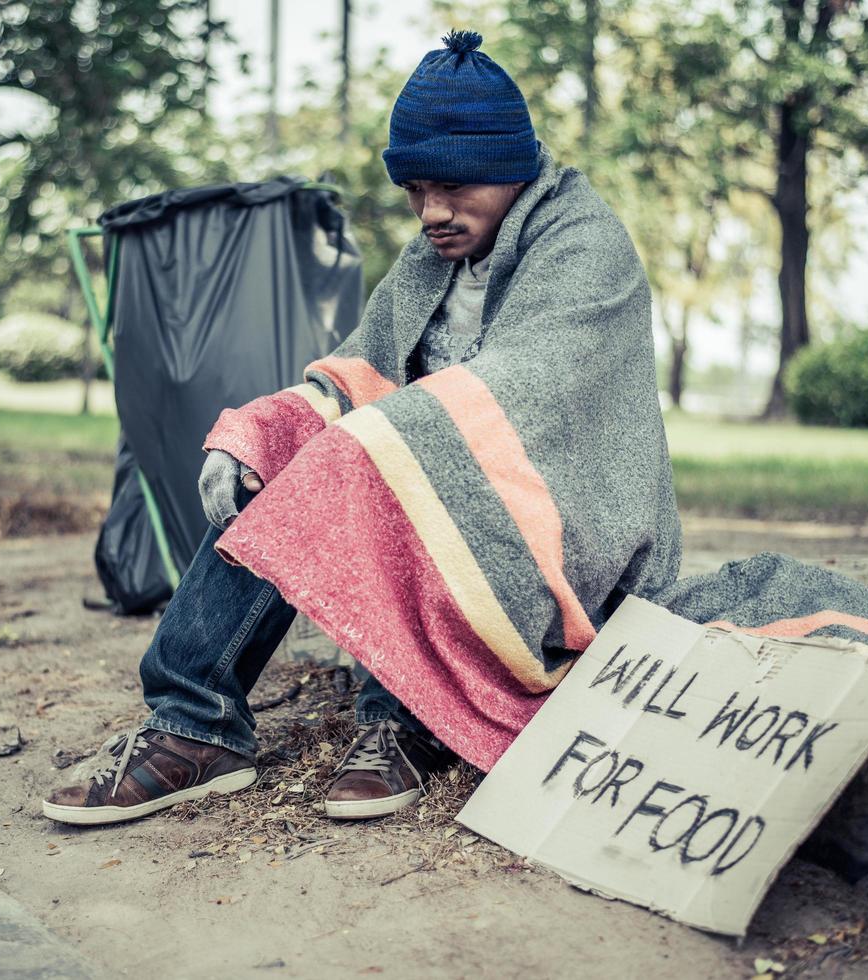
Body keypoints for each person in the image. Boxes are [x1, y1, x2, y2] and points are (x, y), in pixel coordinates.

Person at [43, 29, 681, 825]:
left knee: (385, 454)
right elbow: (355, 374)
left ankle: (402, 722)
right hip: (436, 484)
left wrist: (367, 442)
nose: (431, 213)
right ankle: (192, 726)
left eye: (451, 188)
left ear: (507, 166)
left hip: (567, 536)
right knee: (282, 457)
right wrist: (263, 433)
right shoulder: (435, 255)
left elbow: (528, 398)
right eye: (414, 190)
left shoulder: (584, 245)